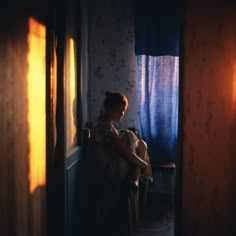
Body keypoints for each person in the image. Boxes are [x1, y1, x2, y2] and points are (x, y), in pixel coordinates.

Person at [83, 91, 149, 235]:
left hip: (110, 165)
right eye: (119, 110)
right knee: (130, 136)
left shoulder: (108, 126)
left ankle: (135, 178)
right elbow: (124, 152)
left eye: (123, 111)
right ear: (108, 108)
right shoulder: (105, 128)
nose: (122, 114)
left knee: (139, 142)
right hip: (107, 170)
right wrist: (143, 164)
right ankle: (135, 179)